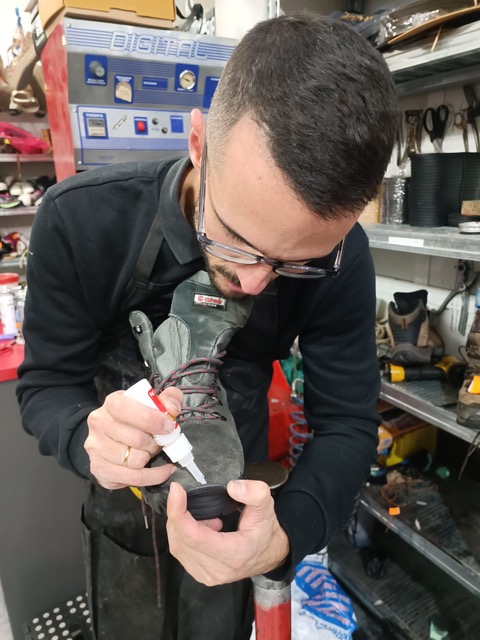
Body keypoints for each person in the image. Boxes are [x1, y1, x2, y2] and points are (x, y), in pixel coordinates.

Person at [17, 12, 398, 640]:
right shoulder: (82, 221)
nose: (253, 283)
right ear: (198, 144)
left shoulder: (343, 257)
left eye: (294, 263)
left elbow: (347, 423)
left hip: (235, 517)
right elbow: (44, 390)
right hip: (121, 519)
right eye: (241, 243)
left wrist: (283, 535)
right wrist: (88, 436)